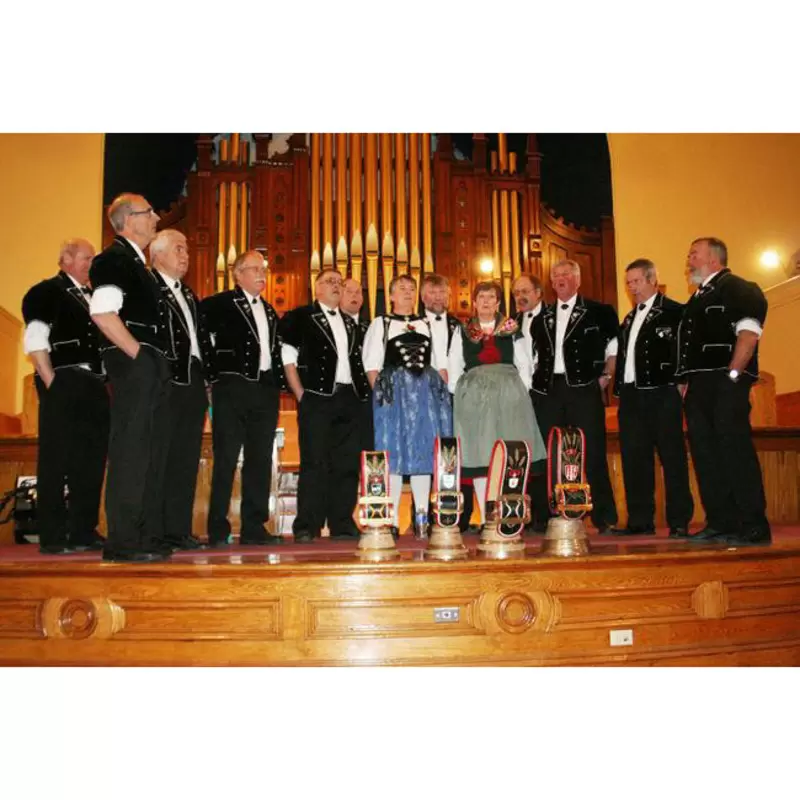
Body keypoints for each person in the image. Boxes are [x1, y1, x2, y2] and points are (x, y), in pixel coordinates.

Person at [89, 193, 173, 563]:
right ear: (127, 220)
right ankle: (123, 540)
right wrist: (139, 356)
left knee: (148, 450)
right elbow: (103, 314)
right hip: (133, 360)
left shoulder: (139, 265)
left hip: (147, 361)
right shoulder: (113, 260)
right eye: (148, 212)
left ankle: (143, 533)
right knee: (131, 448)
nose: (156, 217)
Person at [677, 237, 770, 546]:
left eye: (694, 254)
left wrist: (733, 374)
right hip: (700, 387)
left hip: (725, 382)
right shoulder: (696, 299)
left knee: (734, 451)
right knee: (706, 454)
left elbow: (748, 333)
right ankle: (721, 522)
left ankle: (753, 524)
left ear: (714, 259)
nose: (688, 259)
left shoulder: (739, 288)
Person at [21, 239, 109, 555]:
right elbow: (35, 339)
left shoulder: (96, 297)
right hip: (65, 379)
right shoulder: (45, 292)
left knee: (92, 457)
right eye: (86, 257)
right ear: (65, 260)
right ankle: (54, 535)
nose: (91, 264)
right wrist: (52, 383)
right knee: (57, 458)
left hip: (95, 384)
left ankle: (83, 531)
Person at [278, 268, 371, 542]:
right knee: (315, 462)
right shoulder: (301, 317)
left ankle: (342, 522)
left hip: (349, 398)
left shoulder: (352, 323)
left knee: (347, 463)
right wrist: (301, 395)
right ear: (315, 288)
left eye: (339, 283)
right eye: (329, 281)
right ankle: (307, 524)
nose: (335, 286)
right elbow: (287, 358)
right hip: (316, 397)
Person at [201, 250, 285, 547]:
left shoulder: (270, 311)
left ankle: (253, 527)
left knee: (260, 458)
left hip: (264, 389)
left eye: (264, 269)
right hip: (231, 386)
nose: (262, 274)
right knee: (225, 457)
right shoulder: (217, 304)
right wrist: (212, 378)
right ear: (237, 274)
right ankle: (217, 527)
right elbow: (202, 342)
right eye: (254, 269)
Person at [529, 259, 619, 534]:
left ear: (578, 280)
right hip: (548, 390)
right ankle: (542, 517)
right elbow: (535, 356)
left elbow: (614, 348)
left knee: (592, 451)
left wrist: (604, 378)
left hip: (583, 388)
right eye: (555, 275)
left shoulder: (599, 311)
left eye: (566, 274)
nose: (560, 278)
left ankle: (605, 517)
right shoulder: (542, 316)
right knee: (544, 452)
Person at [448, 281, 546, 527]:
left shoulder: (511, 328)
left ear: (499, 303)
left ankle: (511, 515)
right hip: (475, 397)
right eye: (481, 297)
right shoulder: (462, 330)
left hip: (509, 395)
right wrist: (461, 394)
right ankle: (486, 518)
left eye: (491, 297)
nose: (486, 301)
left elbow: (525, 363)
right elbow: (454, 363)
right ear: (474, 302)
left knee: (511, 454)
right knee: (480, 455)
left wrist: (519, 390)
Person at [363, 274, 453, 538]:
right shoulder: (382, 323)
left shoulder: (427, 323)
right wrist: (382, 398)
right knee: (393, 453)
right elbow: (371, 364)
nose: (407, 292)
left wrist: (440, 400)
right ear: (390, 296)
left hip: (424, 395)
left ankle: (422, 517)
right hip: (394, 394)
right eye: (401, 288)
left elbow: (439, 364)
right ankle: (389, 519)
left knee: (423, 453)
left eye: (411, 289)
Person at [611, 259, 693, 537]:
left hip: (662, 392)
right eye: (628, 282)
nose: (632, 287)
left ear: (652, 280)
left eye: (636, 281)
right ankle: (640, 520)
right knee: (635, 457)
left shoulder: (675, 311)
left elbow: (684, 351)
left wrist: (681, 381)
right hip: (632, 395)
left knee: (672, 457)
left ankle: (679, 520)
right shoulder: (630, 318)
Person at [149, 230, 211, 550]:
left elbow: (200, 343)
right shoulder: (149, 288)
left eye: (187, 249)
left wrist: (207, 381)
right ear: (157, 255)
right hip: (166, 381)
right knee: (160, 455)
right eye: (178, 249)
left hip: (193, 382)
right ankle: (155, 530)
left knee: (186, 457)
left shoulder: (189, 294)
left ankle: (177, 528)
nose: (185, 255)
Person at [420, 272, 473, 531]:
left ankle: (462, 516)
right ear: (422, 296)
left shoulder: (461, 326)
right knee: (431, 454)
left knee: (458, 452)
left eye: (442, 292)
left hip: (456, 396)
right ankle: (429, 516)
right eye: (432, 291)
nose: (438, 296)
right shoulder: (414, 323)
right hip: (424, 395)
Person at [512, 272, 547, 531]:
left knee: (542, 453)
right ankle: (525, 513)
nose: (520, 296)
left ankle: (545, 514)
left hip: (545, 393)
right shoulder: (510, 323)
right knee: (522, 454)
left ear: (538, 293)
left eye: (525, 291)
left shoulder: (552, 317)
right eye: (516, 293)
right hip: (518, 395)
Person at [341, 277, 374, 453]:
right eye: (349, 292)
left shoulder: (371, 327)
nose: (355, 296)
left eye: (358, 292)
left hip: (366, 399)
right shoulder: (332, 325)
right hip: (340, 396)